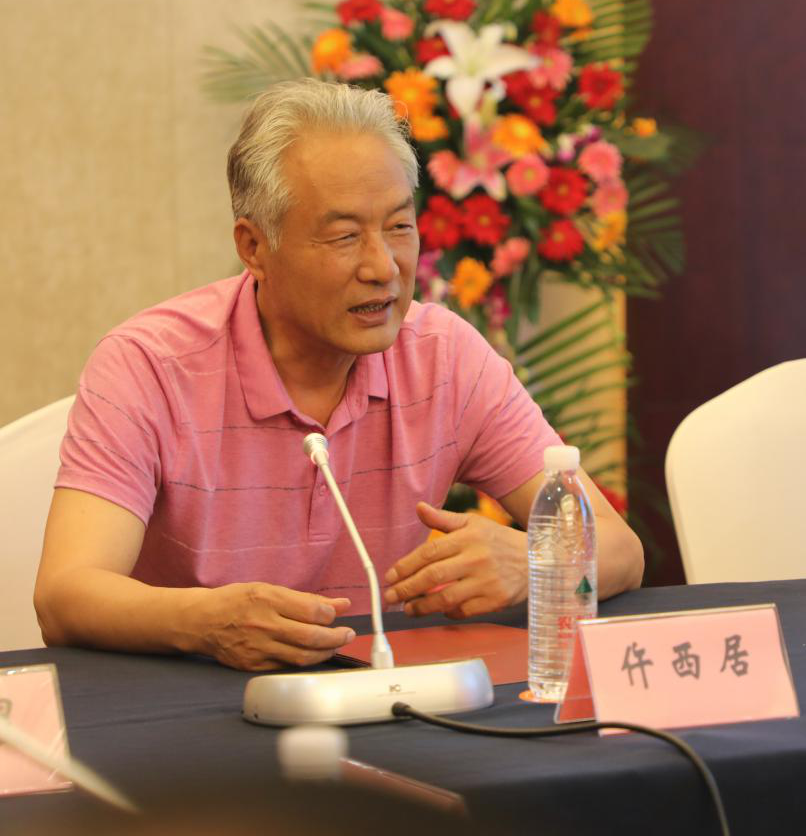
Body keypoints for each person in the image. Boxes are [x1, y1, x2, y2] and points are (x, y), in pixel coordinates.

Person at [34, 79, 643, 671]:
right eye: (345, 236)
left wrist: (538, 560)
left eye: (399, 227)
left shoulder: (445, 357)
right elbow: (65, 595)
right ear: (254, 247)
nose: (383, 267)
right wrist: (208, 621)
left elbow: (621, 549)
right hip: (191, 703)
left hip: (385, 698)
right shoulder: (149, 365)